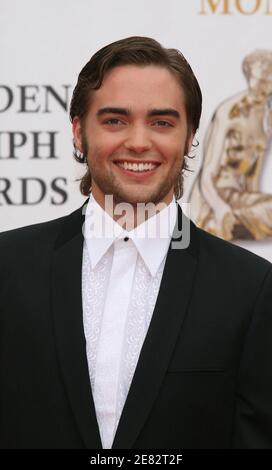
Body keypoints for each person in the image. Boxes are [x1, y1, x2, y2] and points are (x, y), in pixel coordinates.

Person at [0, 36, 272, 450]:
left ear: (190, 136)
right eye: (115, 120)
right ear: (78, 131)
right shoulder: (8, 267)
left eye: (162, 122)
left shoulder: (251, 288)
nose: (140, 142)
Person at [189, 49, 272, 241]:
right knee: (221, 222)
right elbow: (208, 174)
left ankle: (238, 224)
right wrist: (220, 207)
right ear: (249, 76)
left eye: (269, 84)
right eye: (260, 82)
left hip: (241, 201)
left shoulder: (265, 117)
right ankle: (219, 225)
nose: (265, 90)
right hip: (212, 200)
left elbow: (253, 176)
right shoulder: (229, 113)